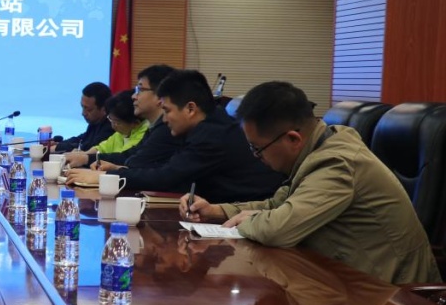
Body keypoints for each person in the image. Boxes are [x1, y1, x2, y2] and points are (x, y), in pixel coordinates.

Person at [181, 81, 442, 285]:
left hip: (394, 297)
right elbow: (276, 205)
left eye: (257, 149)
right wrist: (216, 210)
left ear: (293, 139)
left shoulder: (337, 163)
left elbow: (279, 229)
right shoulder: (319, 149)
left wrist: (249, 221)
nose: (255, 157)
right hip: (348, 280)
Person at [68, 70, 283, 202]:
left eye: (167, 110)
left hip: (247, 216)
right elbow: (165, 169)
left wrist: (106, 177)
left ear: (190, 109)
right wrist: (116, 169)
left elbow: (166, 177)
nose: (165, 118)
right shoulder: (204, 126)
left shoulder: (213, 134)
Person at [93, 64, 183, 170]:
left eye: (140, 90)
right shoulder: (153, 126)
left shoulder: (166, 129)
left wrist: (114, 170)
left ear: (160, 96)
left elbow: (136, 162)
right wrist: (87, 158)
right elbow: (129, 156)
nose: (133, 96)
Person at [64, 90, 147, 168]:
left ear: (135, 123)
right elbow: (102, 148)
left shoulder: (144, 133)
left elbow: (122, 157)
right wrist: (83, 155)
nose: (113, 126)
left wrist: (85, 158)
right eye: (110, 119)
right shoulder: (121, 132)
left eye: (117, 122)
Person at [54, 82, 114, 153]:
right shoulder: (95, 122)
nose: (83, 113)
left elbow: (87, 147)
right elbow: (81, 139)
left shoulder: (111, 126)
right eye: (82, 107)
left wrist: (57, 147)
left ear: (104, 109)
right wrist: (58, 144)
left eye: (89, 110)